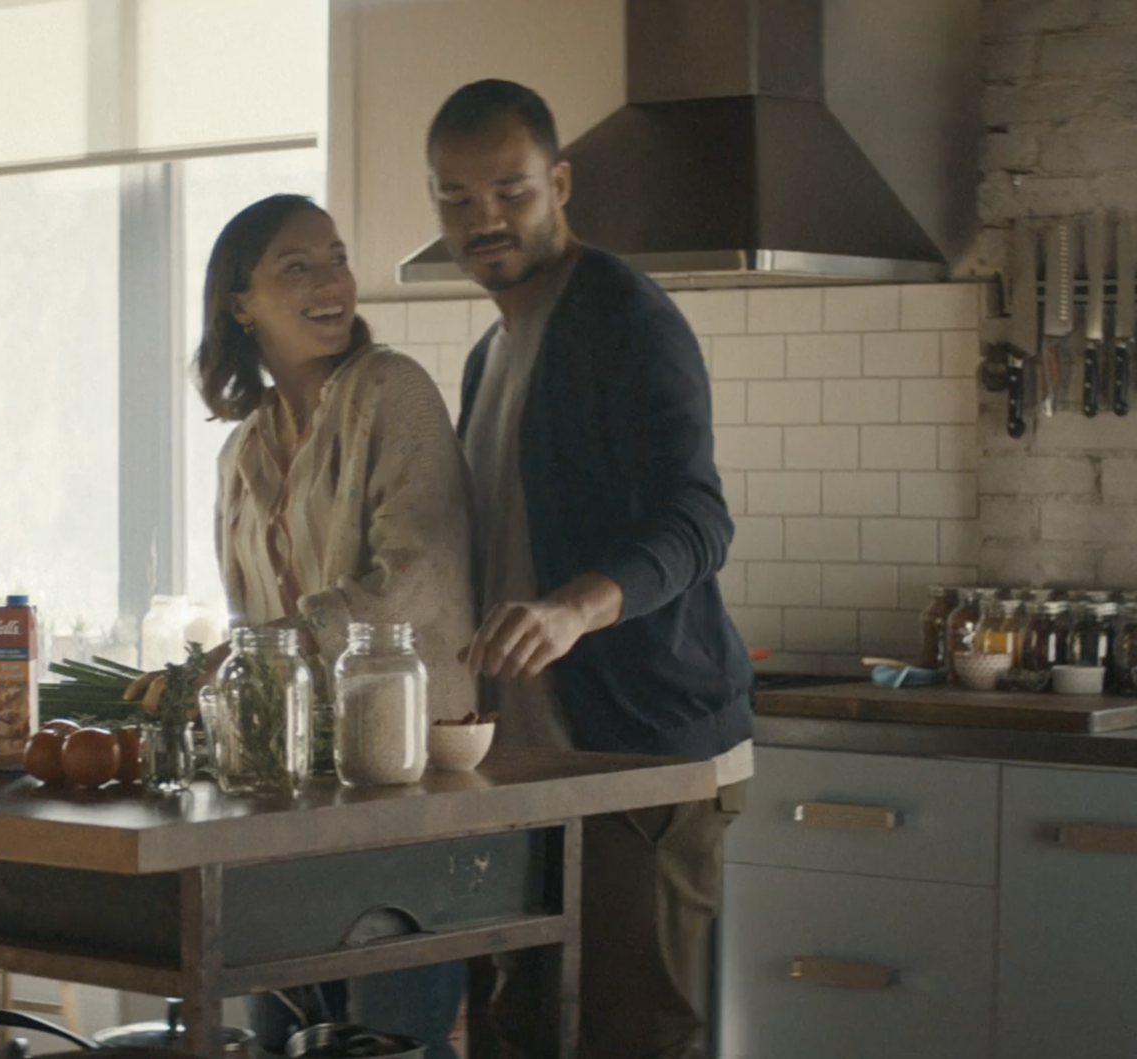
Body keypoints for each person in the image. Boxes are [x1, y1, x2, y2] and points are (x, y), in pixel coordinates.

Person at [429, 79, 754, 1058]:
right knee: (513, 1030)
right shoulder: (489, 355)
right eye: (456, 197)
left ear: (560, 184)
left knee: (637, 1036)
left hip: (638, 758)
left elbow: (698, 518)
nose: (484, 218)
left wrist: (572, 610)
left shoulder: (625, 318)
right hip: (528, 765)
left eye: (510, 190)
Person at [195, 193, 476, 1058]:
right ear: (241, 304)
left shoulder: (393, 392)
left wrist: (268, 648)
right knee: (277, 1036)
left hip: (401, 787)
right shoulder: (242, 450)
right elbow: (247, 612)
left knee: (386, 1040)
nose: (331, 282)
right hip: (288, 800)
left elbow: (414, 579)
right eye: (297, 266)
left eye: (338, 258)